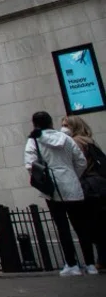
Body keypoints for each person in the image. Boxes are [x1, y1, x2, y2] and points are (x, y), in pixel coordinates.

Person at [25, 111, 96, 275]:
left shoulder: (34, 140)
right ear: (51, 122)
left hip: (52, 188)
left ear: (35, 124)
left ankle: (72, 264)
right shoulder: (66, 138)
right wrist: (72, 175)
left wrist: (43, 181)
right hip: (72, 185)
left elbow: (30, 165)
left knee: (62, 228)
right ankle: (90, 264)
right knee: (81, 226)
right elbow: (81, 161)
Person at [62, 115, 106, 270]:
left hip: (88, 185)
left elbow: (78, 164)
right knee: (100, 221)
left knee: (92, 224)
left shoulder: (76, 142)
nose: (63, 128)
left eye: (66, 125)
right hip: (99, 184)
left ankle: (100, 260)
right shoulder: (89, 140)